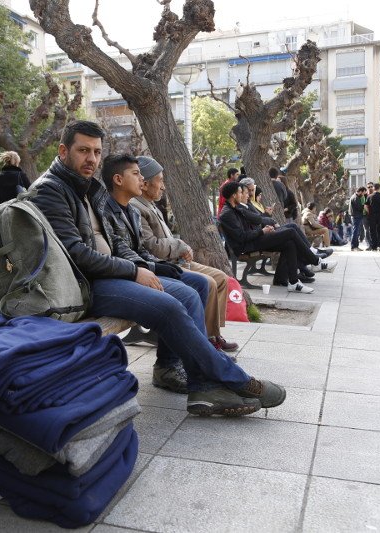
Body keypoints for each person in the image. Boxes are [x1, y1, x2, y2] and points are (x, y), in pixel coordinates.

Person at [29, 120, 286, 417]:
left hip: (104, 275)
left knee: (190, 292)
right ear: (63, 150)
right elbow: (76, 255)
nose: (92, 159)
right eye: (83, 150)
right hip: (82, 285)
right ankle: (235, 379)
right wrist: (134, 271)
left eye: (97, 152)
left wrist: (143, 265)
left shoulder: (84, 187)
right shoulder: (52, 190)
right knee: (170, 305)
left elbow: (116, 242)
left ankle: (202, 388)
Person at [130, 155, 239, 353]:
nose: (163, 186)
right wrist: (179, 245)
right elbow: (150, 246)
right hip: (165, 265)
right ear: (145, 184)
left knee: (222, 279)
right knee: (209, 283)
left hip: (176, 261)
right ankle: (204, 339)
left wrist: (181, 248)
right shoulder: (137, 207)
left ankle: (212, 334)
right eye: (160, 181)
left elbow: (164, 240)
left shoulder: (150, 204)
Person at [220, 182, 335, 294]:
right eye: (240, 192)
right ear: (234, 195)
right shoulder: (227, 213)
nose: (245, 195)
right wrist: (261, 231)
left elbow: (254, 222)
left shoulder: (236, 208)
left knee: (289, 243)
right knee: (290, 232)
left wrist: (265, 228)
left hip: (253, 239)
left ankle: (294, 282)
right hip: (246, 246)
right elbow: (241, 237)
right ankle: (315, 261)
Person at [366, 183, 380, 252]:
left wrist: (369, 212)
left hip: (371, 216)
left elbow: (365, 206)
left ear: (373, 188)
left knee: (372, 231)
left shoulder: (369, 197)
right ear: (379, 188)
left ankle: (374, 246)